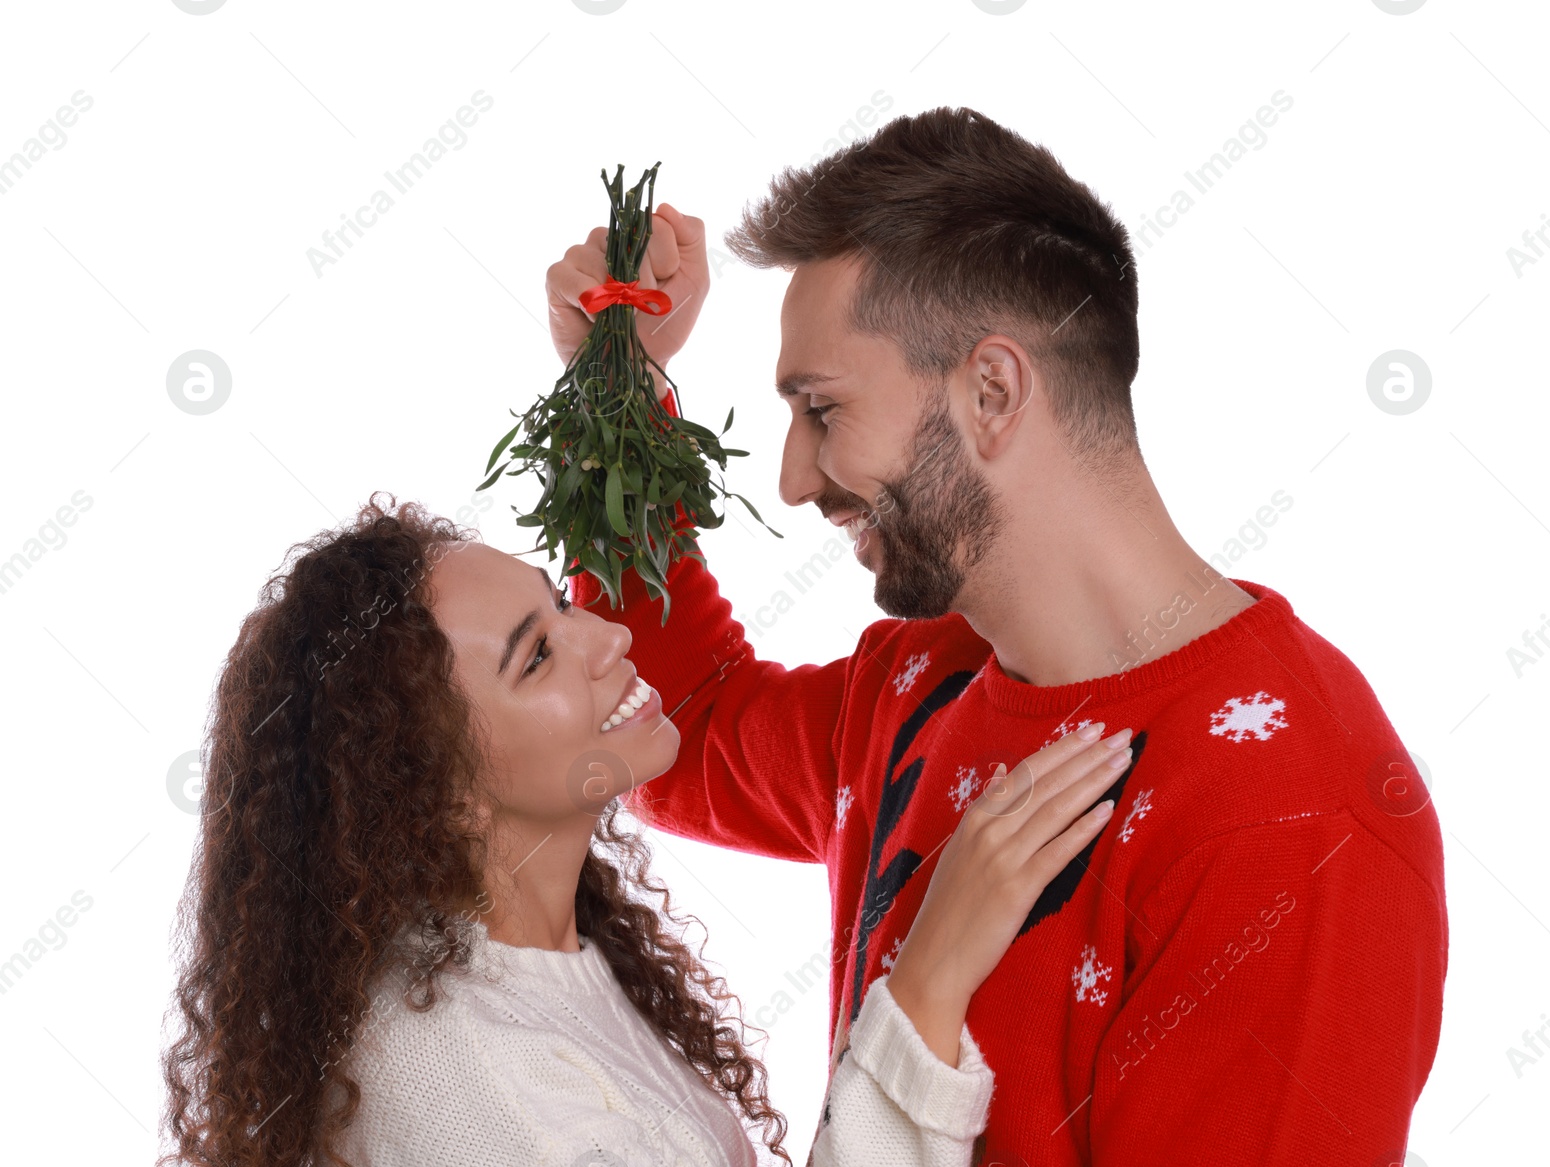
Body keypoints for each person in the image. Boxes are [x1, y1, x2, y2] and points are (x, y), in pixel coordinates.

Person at [546, 106, 1448, 1166]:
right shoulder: (920, 682)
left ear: (991, 390)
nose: (792, 480)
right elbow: (669, 726)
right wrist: (612, 386)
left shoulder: (1293, 821)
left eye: (821, 410)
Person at [158, 494, 1130, 1167]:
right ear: (433, 789)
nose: (608, 638)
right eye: (537, 657)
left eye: (559, 603)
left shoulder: (529, 959)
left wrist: (614, 378)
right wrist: (926, 979)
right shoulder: (465, 1089)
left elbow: (713, 710)